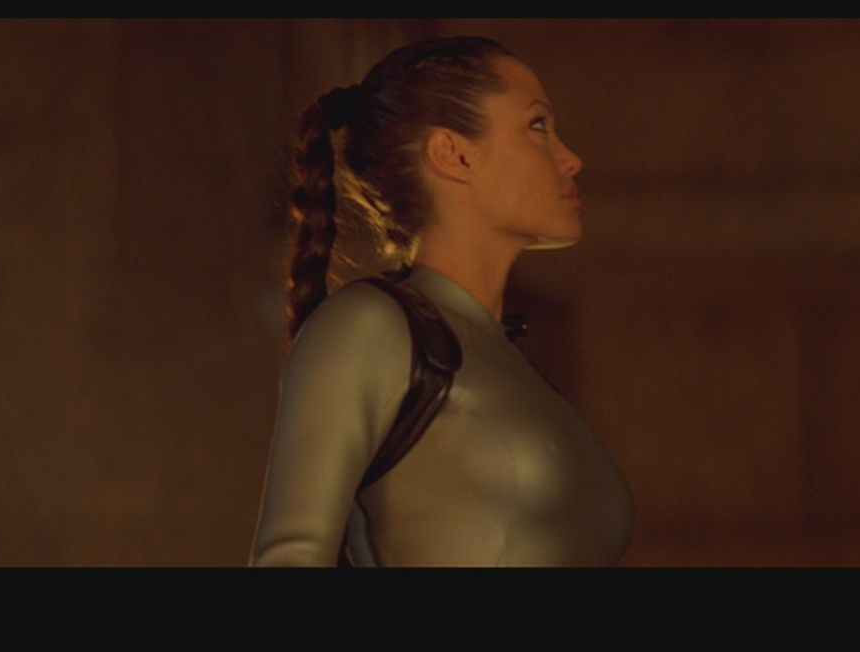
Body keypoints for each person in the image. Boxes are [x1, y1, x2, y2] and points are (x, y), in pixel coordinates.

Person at [248, 36, 635, 566]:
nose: (571, 159)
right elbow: (290, 558)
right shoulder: (371, 327)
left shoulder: (512, 362)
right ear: (452, 154)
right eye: (537, 126)